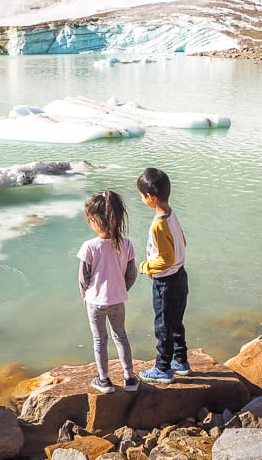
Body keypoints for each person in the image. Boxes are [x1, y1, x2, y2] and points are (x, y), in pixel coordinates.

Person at [77, 190, 139, 394]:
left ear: (95, 221)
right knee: (121, 336)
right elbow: (131, 274)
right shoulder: (126, 243)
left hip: (95, 302)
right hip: (117, 301)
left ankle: (104, 380)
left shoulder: (89, 246)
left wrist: (85, 295)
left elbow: (82, 278)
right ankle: (130, 378)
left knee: (99, 339)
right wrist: (120, 290)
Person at [136, 168, 190, 384]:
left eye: (141, 196)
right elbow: (183, 242)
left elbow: (165, 260)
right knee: (176, 321)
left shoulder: (158, 225)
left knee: (163, 325)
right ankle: (181, 361)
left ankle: (163, 368)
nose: (141, 199)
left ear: (151, 198)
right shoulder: (171, 214)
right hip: (180, 275)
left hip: (166, 282)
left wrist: (145, 266)